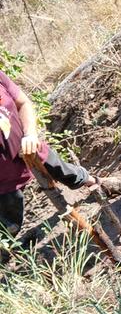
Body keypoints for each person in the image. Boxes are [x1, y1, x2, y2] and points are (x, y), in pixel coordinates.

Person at [0, 69, 96, 236]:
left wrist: (30, 134)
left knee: (68, 172)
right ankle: (10, 255)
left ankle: (98, 184)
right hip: (4, 182)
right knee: (10, 227)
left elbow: (23, 103)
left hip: (32, 150)